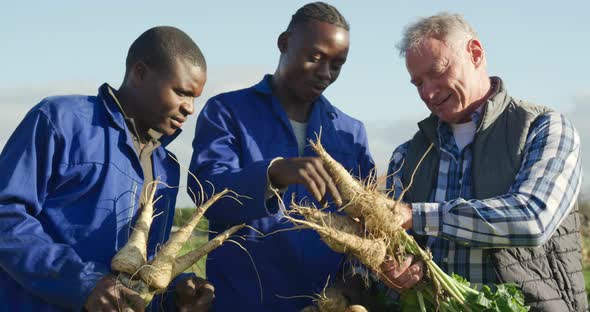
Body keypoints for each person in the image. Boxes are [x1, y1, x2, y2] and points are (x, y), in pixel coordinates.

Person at [379, 12, 587, 311]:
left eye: (437, 72)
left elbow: (532, 220)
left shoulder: (543, 128)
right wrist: (390, 270)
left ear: (475, 54)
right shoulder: (407, 154)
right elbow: (386, 243)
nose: (428, 92)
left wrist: (417, 216)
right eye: (418, 83)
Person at [0, 26, 214, 311]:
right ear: (139, 73)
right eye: (181, 92)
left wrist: (177, 292)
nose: (189, 108)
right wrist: (81, 283)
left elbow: (142, 270)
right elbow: (6, 215)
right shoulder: (61, 121)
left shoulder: (167, 167)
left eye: (194, 98)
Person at [188, 2, 374, 311]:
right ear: (284, 43)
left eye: (337, 64)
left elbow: (364, 226)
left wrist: (354, 283)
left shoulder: (350, 132)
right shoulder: (227, 112)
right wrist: (273, 174)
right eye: (314, 57)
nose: (325, 73)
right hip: (243, 301)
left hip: (324, 305)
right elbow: (206, 193)